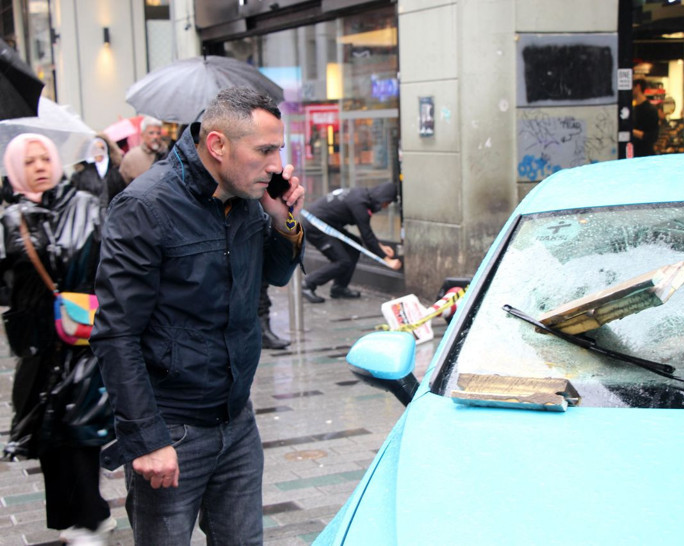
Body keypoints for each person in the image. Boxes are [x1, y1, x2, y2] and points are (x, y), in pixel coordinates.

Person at [90, 87, 305, 545]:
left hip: (236, 418)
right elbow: (115, 334)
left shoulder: (247, 196)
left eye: (279, 150)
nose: (276, 164)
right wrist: (147, 438)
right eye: (264, 150)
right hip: (170, 427)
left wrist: (284, 219)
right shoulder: (145, 206)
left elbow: (275, 273)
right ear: (217, 145)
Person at [1, 133, 116, 544]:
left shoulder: (84, 205)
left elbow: (108, 261)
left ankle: (90, 518)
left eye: (44, 158)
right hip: (37, 343)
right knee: (49, 433)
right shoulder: (10, 218)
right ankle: (75, 516)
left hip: (82, 336)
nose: (39, 167)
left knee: (79, 427)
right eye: (28, 162)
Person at [301, 181, 401, 303]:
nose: (385, 206)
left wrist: (381, 247)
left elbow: (367, 233)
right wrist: (386, 260)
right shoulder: (360, 205)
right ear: (381, 197)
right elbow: (367, 235)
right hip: (316, 227)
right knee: (342, 261)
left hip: (327, 225)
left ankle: (339, 288)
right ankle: (307, 284)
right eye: (387, 202)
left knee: (354, 246)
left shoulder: (362, 196)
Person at [70, 134, 127, 212]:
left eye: (102, 148)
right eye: (95, 148)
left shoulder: (115, 173)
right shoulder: (80, 175)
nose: (99, 152)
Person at [119, 115, 168, 185]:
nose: (155, 136)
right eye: (151, 133)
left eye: (158, 133)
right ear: (142, 135)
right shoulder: (132, 156)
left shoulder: (169, 153)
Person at [631, 78, 659, 157]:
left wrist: (631, 131)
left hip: (646, 155)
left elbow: (653, 137)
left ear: (638, 87)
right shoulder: (633, 109)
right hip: (635, 154)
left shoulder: (651, 110)